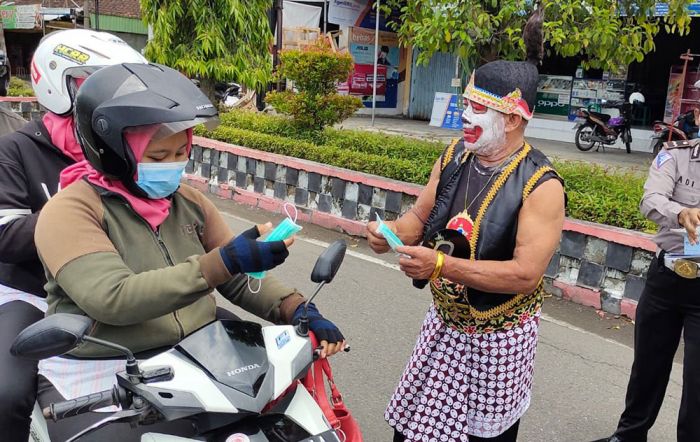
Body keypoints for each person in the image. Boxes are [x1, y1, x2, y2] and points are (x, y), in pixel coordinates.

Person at [33, 62, 345, 441]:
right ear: (111, 152)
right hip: (106, 363)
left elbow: (238, 280)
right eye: (159, 156)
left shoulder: (190, 203)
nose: (175, 166)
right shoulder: (69, 211)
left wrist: (298, 308)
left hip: (199, 355)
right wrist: (222, 261)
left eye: (182, 152)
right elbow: (112, 298)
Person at [368, 9, 565, 442]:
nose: (465, 117)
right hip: (444, 328)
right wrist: (389, 236)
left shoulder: (541, 185)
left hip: (499, 343)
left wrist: (441, 267)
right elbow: (418, 218)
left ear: (512, 118)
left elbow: (524, 274)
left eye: (478, 109)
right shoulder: (456, 155)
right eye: (466, 105)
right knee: (413, 434)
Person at [0, 29, 149, 441]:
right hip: (33, 293)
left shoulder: (118, 150)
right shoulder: (16, 150)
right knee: (6, 392)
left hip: (111, 285)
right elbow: (7, 239)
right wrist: (68, 213)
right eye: (94, 84)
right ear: (55, 84)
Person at [594, 139, 700, 442]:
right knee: (647, 365)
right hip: (666, 278)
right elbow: (651, 198)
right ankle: (629, 436)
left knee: (697, 382)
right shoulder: (674, 155)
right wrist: (681, 212)